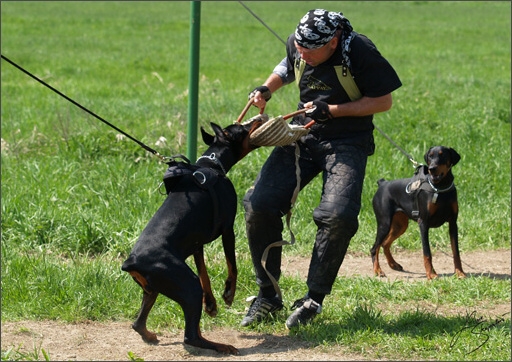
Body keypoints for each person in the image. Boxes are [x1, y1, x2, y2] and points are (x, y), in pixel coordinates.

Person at [240, 9, 402, 329]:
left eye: (310, 50)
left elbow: (383, 101)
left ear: (333, 42)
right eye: (299, 46)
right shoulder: (301, 45)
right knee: (258, 203)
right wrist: (267, 88)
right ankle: (267, 296)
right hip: (302, 134)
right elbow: (287, 65)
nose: (302, 53)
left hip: (347, 142)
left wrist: (335, 110)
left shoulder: (358, 51)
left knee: (338, 215)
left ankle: (313, 299)